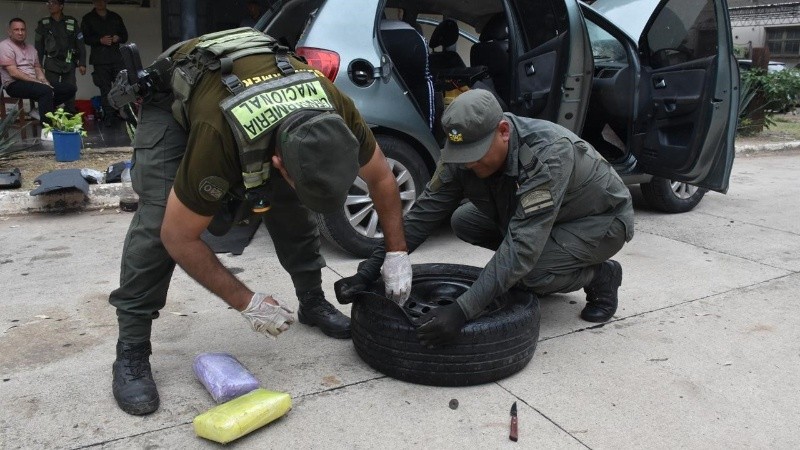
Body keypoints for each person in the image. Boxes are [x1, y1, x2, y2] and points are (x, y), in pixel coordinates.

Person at [108, 30, 411, 415]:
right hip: (174, 94)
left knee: (286, 200)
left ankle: (311, 302)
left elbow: (383, 178)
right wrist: (246, 302)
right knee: (158, 216)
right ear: (280, 162)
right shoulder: (218, 133)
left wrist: (397, 253)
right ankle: (131, 350)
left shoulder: (337, 106)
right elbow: (178, 236)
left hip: (254, 86)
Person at [336, 89, 635, 347]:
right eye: (462, 153)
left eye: (476, 152)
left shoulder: (548, 154)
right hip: (547, 220)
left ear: (503, 131)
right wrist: (370, 270)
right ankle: (549, 263)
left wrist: (462, 310)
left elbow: (520, 249)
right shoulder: (462, 154)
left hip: (599, 221)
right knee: (463, 221)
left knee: (529, 272)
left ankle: (601, 275)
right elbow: (423, 214)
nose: (469, 162)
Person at [0, 18, 77, 141]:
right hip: (14, 84)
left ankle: (39, 110)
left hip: (33, 82)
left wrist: (44, 81)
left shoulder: (31, 48)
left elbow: (38, 68)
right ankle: (47, 130)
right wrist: (38, 82)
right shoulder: (4, 46)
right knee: (45, 91)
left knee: (69, 88)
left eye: (22, 29)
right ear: (10, 32)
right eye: (16, 30)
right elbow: (13, 72)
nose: (20, 32)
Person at [35, 0, 87, 115]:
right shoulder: (43, 23)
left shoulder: (72, 22)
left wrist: (82, 63)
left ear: (61, 6)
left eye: (53, 3)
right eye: (48, 3)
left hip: (69, 63)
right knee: (50, 90)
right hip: (51, 63)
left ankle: (70, 115)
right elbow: (38, 47)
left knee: (71, 89)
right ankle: (50, 116)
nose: (50, 5)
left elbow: (80, 44)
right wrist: (38, 67)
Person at [81, 0, 127, 127]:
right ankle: (109, 116)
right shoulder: (88, 18)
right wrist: (99, 40)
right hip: (100, 59)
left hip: (116, 58)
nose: (100, 3)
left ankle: (125, 113)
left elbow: (125, 35)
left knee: (122, 86)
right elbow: (84, 38)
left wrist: (118, 38)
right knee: (105, 89)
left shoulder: (115, 17)